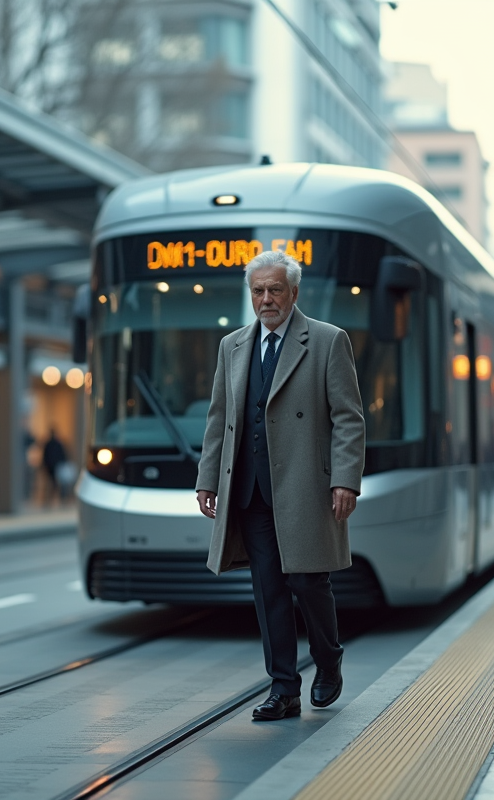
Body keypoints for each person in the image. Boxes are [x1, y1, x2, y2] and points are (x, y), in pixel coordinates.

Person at [195, 249, 365, 722]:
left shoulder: (328, 341)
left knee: (309, 582)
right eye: (258, 291)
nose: (266, 299)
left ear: (293, 293)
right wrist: (208, 478)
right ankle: (284, 687)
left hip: (306, 487)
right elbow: (219, 419)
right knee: (268, 588)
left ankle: (328, 661)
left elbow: (348, 419)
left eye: (274, 290)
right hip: (249, 491)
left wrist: (346, 479)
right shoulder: (232, 345)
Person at [42, 429, 67, 504]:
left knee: (53, 483)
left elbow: (45, 456)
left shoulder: (49, 444)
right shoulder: (56, 444)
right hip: (54, 466)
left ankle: (51, 499)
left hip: (52, 466)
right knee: (54, 483)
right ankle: (54, 499)